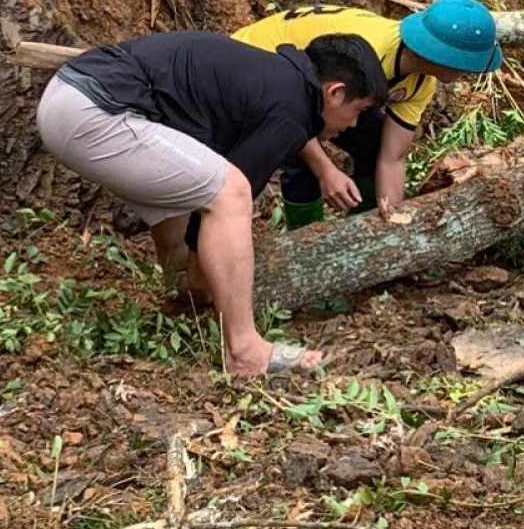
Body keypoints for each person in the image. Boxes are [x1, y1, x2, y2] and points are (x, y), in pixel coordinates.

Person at [35, 30, 388, 375]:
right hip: (95, 111)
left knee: (199, 180)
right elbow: (230, 197)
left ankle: (183, 301)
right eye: (358, 110)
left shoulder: (273, 77)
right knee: (230, 192)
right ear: (335, 93)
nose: (355, 124)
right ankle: (246, 351)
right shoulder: (292, 110)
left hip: (68, 94)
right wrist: (201, 266)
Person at [233, 0, 502, 228]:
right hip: (255, 66)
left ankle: (363, 228)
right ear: (445, 56)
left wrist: (393, 221)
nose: (470, 71)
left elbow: (391, 157)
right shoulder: (366, 55)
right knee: (302, 155)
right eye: (468, 63)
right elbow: (297, 115)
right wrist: (327, 171)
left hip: (314, 87)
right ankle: (304, 241)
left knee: (374, 139)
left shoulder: (421, 82)